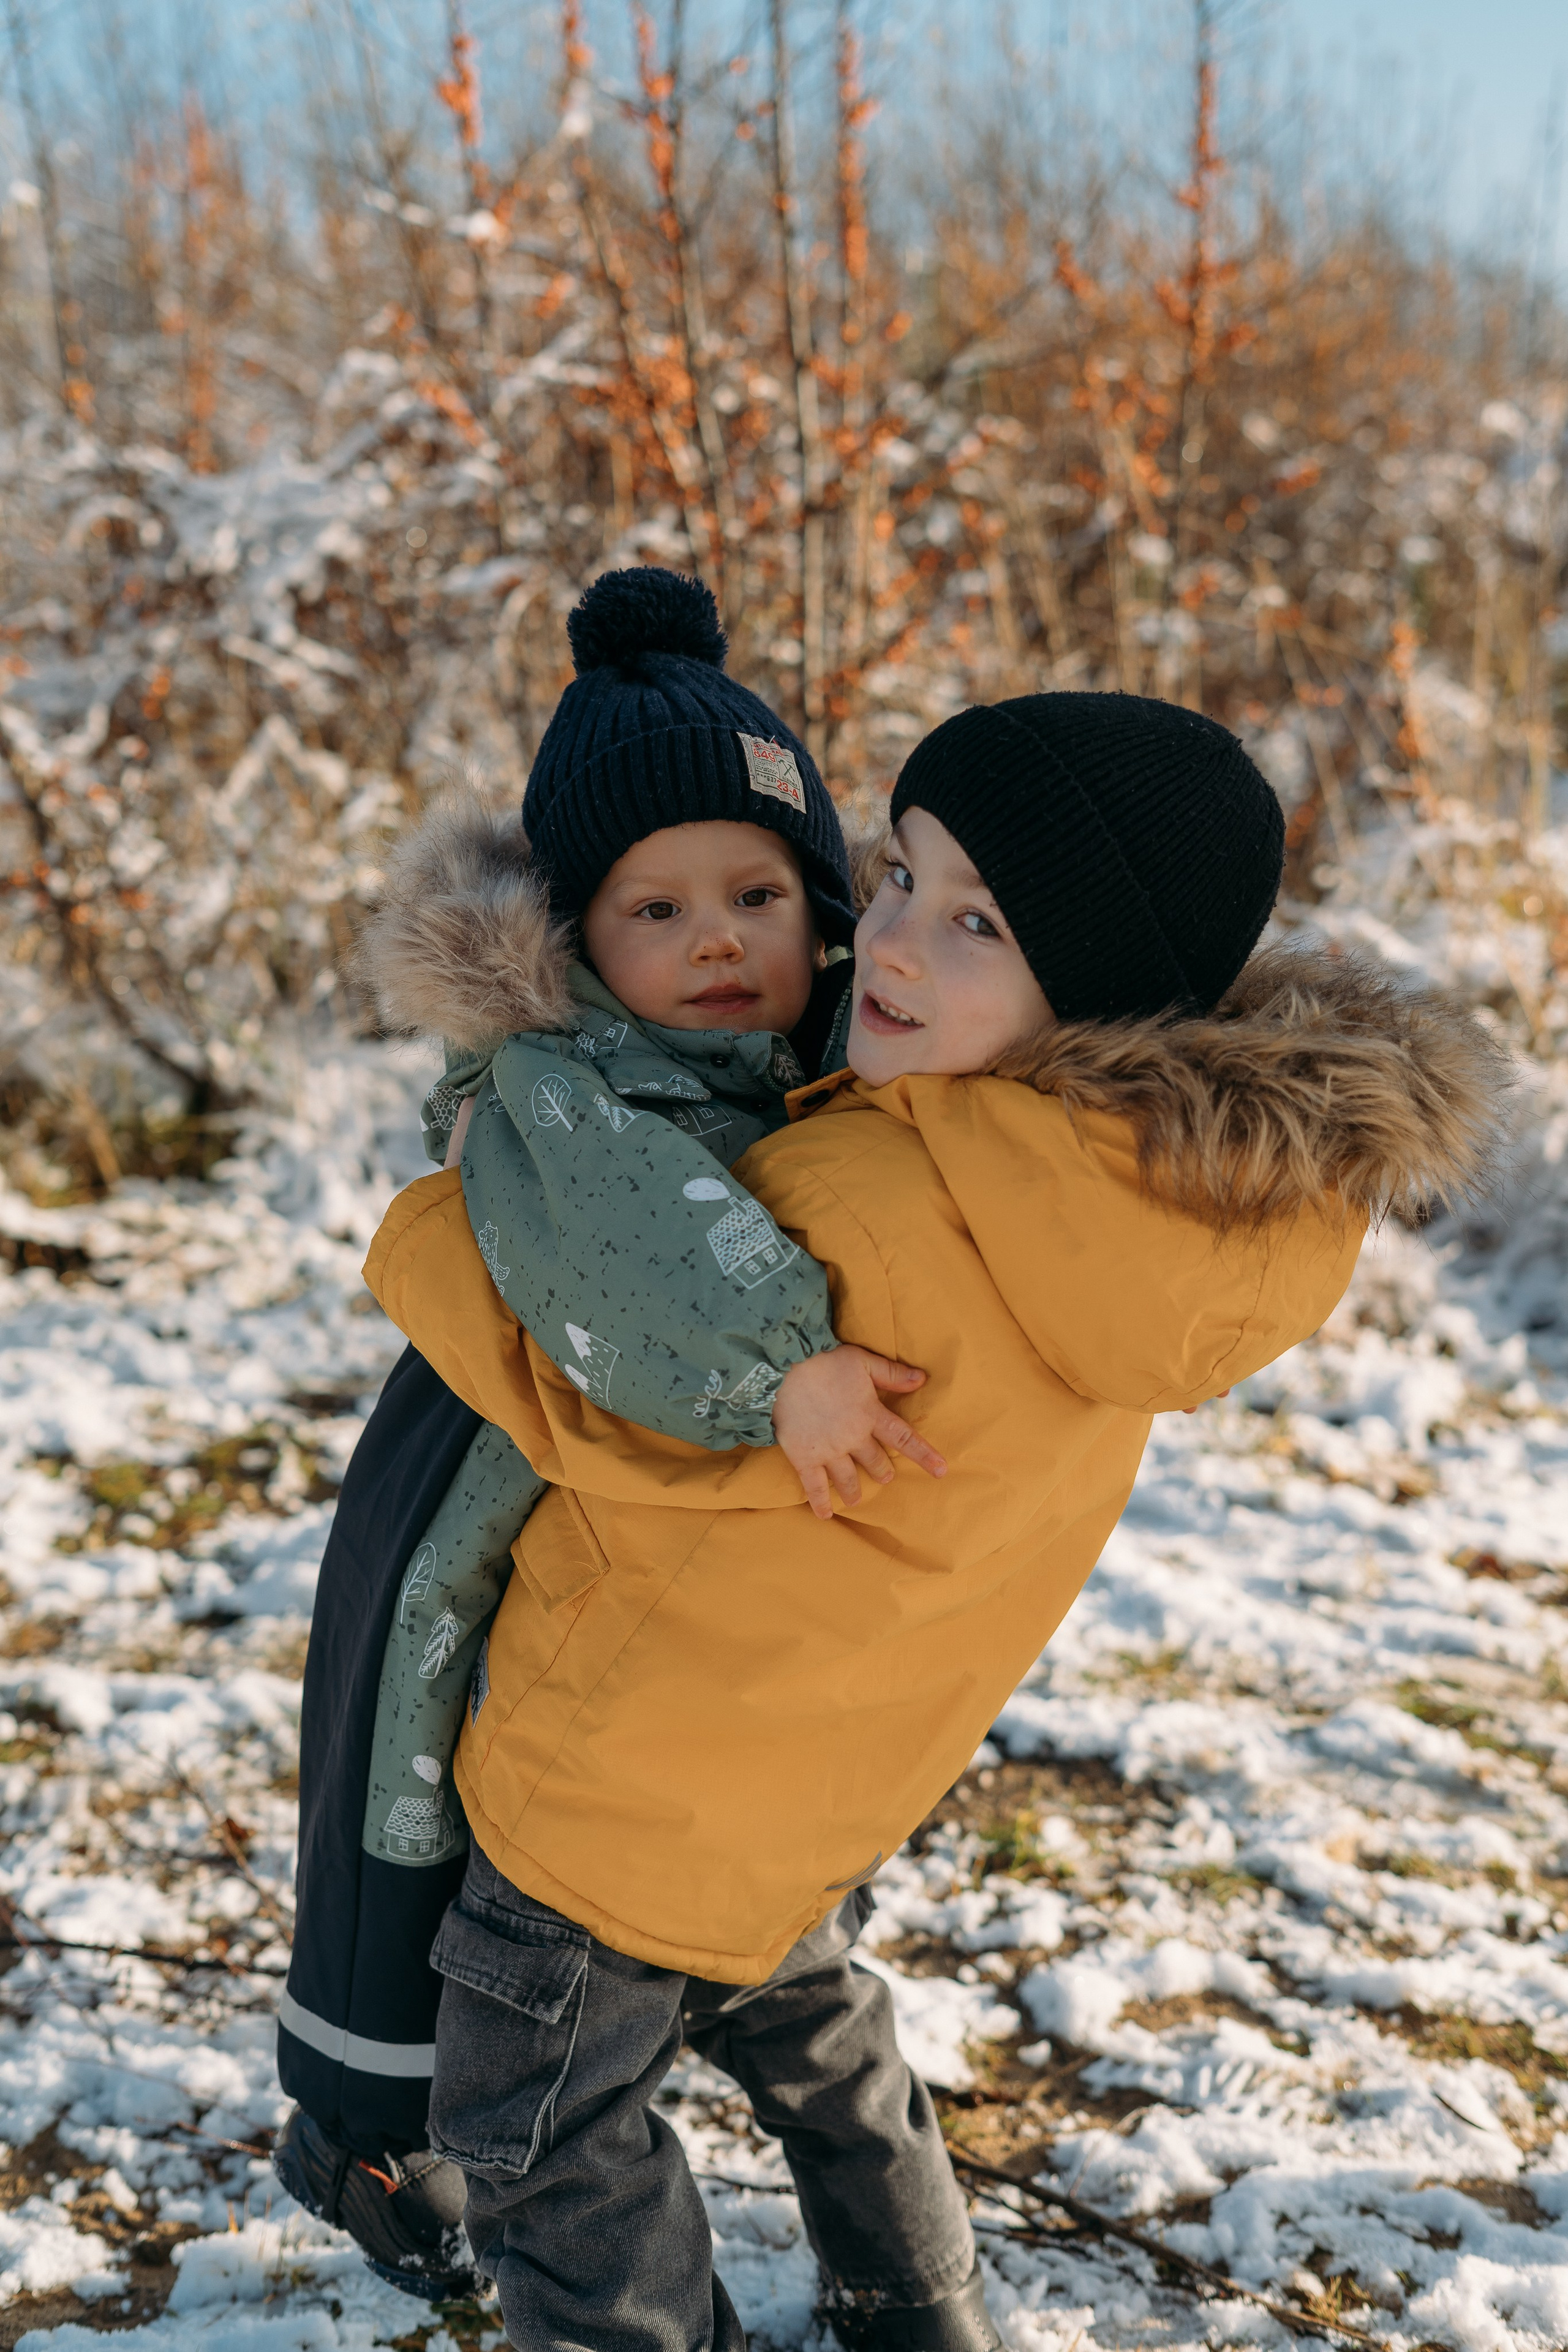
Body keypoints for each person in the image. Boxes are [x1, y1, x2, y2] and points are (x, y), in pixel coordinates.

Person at [364, 687, 1509, 2351]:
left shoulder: (866, 1204)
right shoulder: (1176, 1204)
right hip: (831, 1766)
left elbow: (590, 1380)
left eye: (975, 922)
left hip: (617, 1785)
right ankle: (921, 2312)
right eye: (897, 875)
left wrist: (430, 1230)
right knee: (818, 2031)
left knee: (539, 2134)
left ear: (1096, 974)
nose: (885, 944)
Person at [274, 568, 941, 2298]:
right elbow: (639, 1257)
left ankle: (917, 2295)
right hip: (517, 1515)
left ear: (826, 910)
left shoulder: (825, 1070)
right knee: (427, 1835)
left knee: (795, 1975)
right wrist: (782, 1362)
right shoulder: (561, 1084)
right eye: (656, 908)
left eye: (759, 891)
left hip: (709, 1643)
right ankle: (385, 2116)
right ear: (577, 944)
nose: (717, 937)